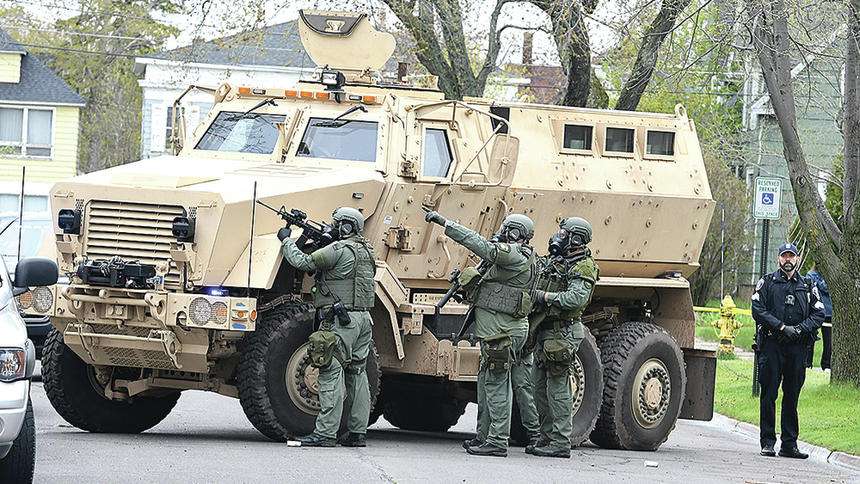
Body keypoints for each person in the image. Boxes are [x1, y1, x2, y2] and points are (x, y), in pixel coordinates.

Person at [425, 210, 535, 458]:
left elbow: (483, 246)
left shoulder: (515, 255)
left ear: (515, 232)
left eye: (507, 229)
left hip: (502, 334)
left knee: (497, 386)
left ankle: (497, 441)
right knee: (487, 384)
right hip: (496, 332)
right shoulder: (511, 258)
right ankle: (485, 436)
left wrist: (446, 223)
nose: (503, 233)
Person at [279, 207, 375, 447]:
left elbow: (302, 261)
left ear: (347, 227)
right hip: (363, 320)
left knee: (330, 371)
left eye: (338, 223)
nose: (334, 227)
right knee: (357, 374)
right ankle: (357, 433)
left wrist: (286, 240)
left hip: (341, 321)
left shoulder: (339, 250)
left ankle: (325, 434)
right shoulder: (366, 251)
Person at [525, 217, 598, 458]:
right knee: (538, 388)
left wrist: (545, 297)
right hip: (546, 332)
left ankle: (560, 441)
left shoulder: (583, 267)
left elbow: (575, 299)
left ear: (576, 238)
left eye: (564, 233)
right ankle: (547, 437)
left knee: (557, 390)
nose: (559, 236)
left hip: (563, 332)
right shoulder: (557, 261)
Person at [751, 243, 825, 459]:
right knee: (769, 394)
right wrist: (781, 327)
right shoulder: (767, 282)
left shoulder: (808, 284)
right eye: (784, 256)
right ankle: (767, 443)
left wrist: (800, 329)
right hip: (772, 346)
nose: (788, 260)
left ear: (798, 258)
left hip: (797, 347)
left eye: (791, 255)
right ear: (778, 259)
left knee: (792, 395)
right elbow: (757, 309)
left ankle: (789, 445)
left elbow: (819, 313)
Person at [806, 264, 832, 370]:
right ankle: (807, 363)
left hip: (829, 313)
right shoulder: (810, 275)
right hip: (814, 312)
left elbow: (826, 288)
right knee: (810, 338)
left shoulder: (832, 275)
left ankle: (826, 365)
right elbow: (810, 289)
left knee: (829, 341)